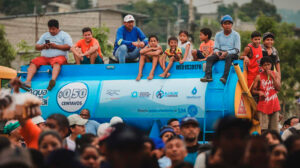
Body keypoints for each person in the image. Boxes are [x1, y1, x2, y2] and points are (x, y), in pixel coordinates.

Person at [23, 19, 72, 91]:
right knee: (34, 61)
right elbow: (37, 46)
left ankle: (52, 80)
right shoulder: (45, 35)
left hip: (59, 57)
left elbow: (68, 47)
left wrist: (55, 46)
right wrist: (43, 46)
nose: (51, 31)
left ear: (58, 28)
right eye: (50, 29)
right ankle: (28, 82)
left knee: (57, 62)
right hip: (45, 57)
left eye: (53, 29)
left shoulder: (64, 35)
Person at [200, 15, 240, 84]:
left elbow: (237, 49)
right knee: (209, 58)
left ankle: (225, 77)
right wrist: (218, 53)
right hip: (220, 53)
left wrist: (227, 52)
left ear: (231, 25)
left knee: (228, 57)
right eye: (225, 23)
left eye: (229, 23)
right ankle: (208, 76)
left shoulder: (236, 35)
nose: (227, 25)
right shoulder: (218, 35)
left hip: (231, 54)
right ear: (222, 25)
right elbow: (215, 48)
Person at [251, 56, 281, 132]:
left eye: (268, 64)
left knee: (275, 130)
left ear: (271, 65)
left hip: (274, 105)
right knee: (264, 129)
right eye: (265, 65)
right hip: (263, 106)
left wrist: (272, 77)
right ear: (262, 66)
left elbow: (278, 88)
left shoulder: (276, 74)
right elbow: (253, 90)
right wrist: (259, 92)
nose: (267, 67)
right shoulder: (258, 76)